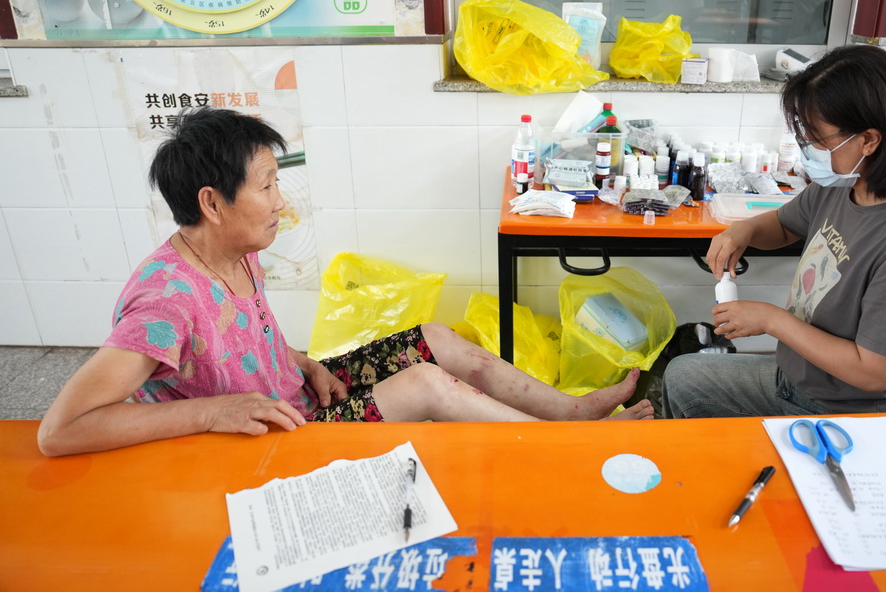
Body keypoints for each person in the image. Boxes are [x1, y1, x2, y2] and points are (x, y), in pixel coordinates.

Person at [38, 108, 653, 457]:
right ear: (213, 202)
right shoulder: (165, 300)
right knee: (427, 386)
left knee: (435, 337)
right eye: (267, 186)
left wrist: (301, 361)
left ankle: (573, 414)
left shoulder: (236, 249)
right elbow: (60, 431)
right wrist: (212, 413)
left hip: (295, 395)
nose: (282, 202)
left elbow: (242, 338)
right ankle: (568, 449)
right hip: (264, 438)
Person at [662, 45, 886, 418]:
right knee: (682, 376)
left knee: (686, 384)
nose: (809, 150)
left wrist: (772, 320)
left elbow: (874, 373)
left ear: (869, 140)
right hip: (799, 375)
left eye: (819, 140)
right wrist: (743, 230)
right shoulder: (846, 183)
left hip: (847, 408)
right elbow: (784, 225)